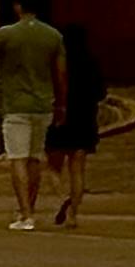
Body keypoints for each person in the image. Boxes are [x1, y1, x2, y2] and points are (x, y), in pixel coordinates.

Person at [0, 0, 65, 230]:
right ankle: (29, 207)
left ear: (18, 7)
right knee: (34, 159)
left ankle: (26, 214)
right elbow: (61, 73)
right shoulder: (53, 36)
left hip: (16, 105)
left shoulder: (5, 34)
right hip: (43, 104)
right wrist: (61, 104)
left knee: (18, 159)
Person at [44, 21, 105, 228]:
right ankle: (73, 215)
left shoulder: (58, 62)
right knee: (77, 170)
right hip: (85, 118)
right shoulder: (92, 62)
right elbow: (101, 93)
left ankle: (62, 196)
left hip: (61, 117)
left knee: (53, 166)